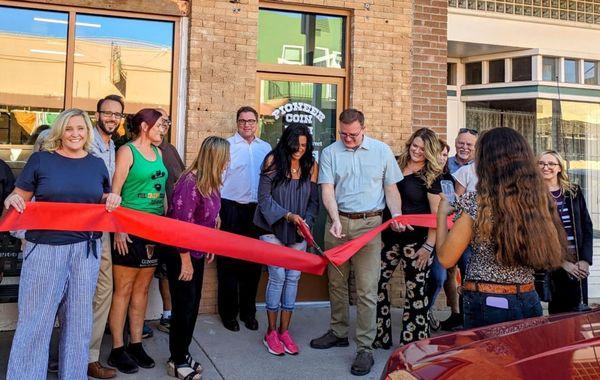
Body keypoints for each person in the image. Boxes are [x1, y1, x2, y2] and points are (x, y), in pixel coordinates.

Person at [5, 108, 120, 380]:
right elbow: (18, 197)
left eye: (80, 128)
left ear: (87, 132)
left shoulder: (96, 164)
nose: (75, 134)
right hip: (45, 249)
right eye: (69, 128)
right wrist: (11, 200)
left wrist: (110, 199)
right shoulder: (41, 161)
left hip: (85, 252)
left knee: (79, 325)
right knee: (36, 323)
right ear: (60, 131)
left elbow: (99, 197)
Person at [436, 127, 565, 329]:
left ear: (489, 160)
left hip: (486, 300)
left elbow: (446, 258)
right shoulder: (538, 201)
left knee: (487, 360)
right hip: (528, 296)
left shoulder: (478, 203)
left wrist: (442, 214)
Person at [310, 109, 405, 376]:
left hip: (370, 226)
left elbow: (391, 189)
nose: (348, 139)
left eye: (353, 134)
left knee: (366, 289)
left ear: (363, 128)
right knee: (337, 282)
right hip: (338, 224)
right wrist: (334, 218)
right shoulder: (330, 152)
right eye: (343, 134)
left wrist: (396, 215)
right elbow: (326, 189)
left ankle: (365, 348)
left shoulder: (382, 151)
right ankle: (338, 331)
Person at [107, 108, 168, 374]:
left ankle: (135, 344)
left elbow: (162, 192)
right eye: (160, 125)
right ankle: (117, 349)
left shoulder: (160, 153)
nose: (163, 129)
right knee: (123, 290)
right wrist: (118, 229)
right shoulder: (127, 152)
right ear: (145, 126)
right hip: (128, 229)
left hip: (153, 230)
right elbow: (115, 193)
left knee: (142, 290)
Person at [165, 136, 230, 380]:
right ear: (215, 158)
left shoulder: (210, 183)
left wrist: (211, 241)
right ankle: (176, 359)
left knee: (192, 305)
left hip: (198, 253)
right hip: (182, 255)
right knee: (183, 306)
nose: (228, 162)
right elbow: (180, 224)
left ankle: (182, 351)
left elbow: (212, 217)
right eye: (225, 157)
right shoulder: (189, 183)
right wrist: (185, 260)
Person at [373, 128, 442, 349]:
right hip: (389, 239)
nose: (417, 151)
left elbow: (436, 216)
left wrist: (429, 247)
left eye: (423, 148)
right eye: (415, 145)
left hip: (418, 243)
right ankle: (380, 335)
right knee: (376, 283)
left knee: (415, 292)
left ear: (429, 151)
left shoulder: (432, 176)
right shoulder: (395, 163)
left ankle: (412, 344)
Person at [253, 124, 319, 356]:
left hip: (298, 231)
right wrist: (288, 216)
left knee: (293, 278)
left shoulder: (311, 165)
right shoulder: (272, 160)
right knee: (278, 276)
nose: (299, 149)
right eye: (295, 144)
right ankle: (270, 331)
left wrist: (306, 222)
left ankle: (284, 331)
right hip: (273, 227)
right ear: (286, 142)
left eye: (304, 145)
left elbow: (313, 202)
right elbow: (263, 198)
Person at [217, 106, 271, 332]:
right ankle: (228, 314)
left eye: (250, 121)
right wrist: (217, 212)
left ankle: (248, 313)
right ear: (237, 122)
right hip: (230, 209)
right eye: (242, 121)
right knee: (228, 265)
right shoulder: (227, 146)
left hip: (256, 212)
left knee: (253, 266)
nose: (246, 125)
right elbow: (217, 179)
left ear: (257, 122)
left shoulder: (266, 148)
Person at [87, 94, 123, 379]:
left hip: (103, 230)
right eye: (107, 113)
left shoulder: (114, 147)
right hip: (77, 229)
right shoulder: (85, 141)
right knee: (75, 293)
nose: (112, 118)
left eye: (117, 114)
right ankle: (70, 354)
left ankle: (89, 356)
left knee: (102, 292)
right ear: (97, 114)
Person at [537, 150, 593, 314]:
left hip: (577, 261)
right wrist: (561, 263)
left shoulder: (573, 191)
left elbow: (586, 226)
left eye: (551, 164)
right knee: (558, 316)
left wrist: (585, 260)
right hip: (552, 263)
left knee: (578, 314)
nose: (546, 167)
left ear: (560, 168)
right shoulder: (533, 195)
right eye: (541, 163)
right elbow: (536, 235)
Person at [440, 129, 479, 331]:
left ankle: (466, 316)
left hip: (470, 232)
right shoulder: (446, 163)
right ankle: (455, 313)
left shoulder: (480, 169)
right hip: (448, 227)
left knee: (467, 272)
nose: (464, 147)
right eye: (461, 143)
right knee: (446, 272)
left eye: (469, 145)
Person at [153, 108, 186, 334]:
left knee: (166, 269)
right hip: (145, 219)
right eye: (160, 121)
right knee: (140, 273)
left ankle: (168, 314)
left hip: (170, 221)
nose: (164, 125)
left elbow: (182, 179)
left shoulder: (170, 149)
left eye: (167, 121)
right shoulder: (136, 150)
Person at [426, 139, 454, 332]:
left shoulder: (447, 179)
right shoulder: (422, 176)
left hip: (442, 237)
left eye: (445, 155)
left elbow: (452, 207)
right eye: (439, 153)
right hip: (420, 235)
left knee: (439, 277)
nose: (442, 158)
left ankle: (426, 309)